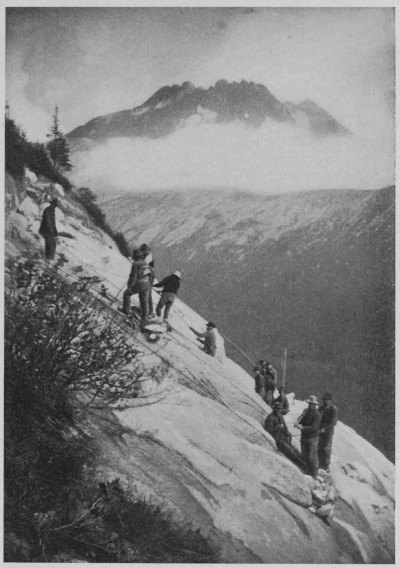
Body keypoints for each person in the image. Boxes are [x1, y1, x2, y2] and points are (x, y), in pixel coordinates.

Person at [264, 403, 307, 471]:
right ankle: (304, 467)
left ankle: (306, 464)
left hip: (284, 437)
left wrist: (287, 433)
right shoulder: (270, 418)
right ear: (274, 409)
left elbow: (285, 427)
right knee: (291, 452)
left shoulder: (280, 416)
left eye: (280, 409)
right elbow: (269, 430)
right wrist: (277, 427)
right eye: (277, 409)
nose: (278, 410)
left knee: (296, 450)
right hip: (277, 439)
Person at [120, 248, 153, 324]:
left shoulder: (135, 264)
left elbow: (133, 276)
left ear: (134, 257)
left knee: (126, 294)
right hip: (147, 283)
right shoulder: (145, 263)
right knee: (144, 302)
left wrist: (130, 286)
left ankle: (125, 310)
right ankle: (144, 320)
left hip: (141, 282)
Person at [295, 395, 321, 479]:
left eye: (312, 404)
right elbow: (301, 420)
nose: (310, 405)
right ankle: (306, 472)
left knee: (312, 457)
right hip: (304, 437)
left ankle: (314, 476)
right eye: (309, 403)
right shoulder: (306, 411)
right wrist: (300, 418)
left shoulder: (317, 415)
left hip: (312, 438)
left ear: (315, 405)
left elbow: (314, 428)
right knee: (304, 456)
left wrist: (302, 428)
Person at [318, 393, 338, 473]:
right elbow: (317, 415)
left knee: (326, 448)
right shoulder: (321, 408)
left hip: (328, 431)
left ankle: (326, 466)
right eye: (324, 400)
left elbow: (334, 422)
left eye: (327, 400)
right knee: (319, 446)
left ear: (330, 401)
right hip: (320, 429)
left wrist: (325, 428)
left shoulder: (333, 409)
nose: (325, 401)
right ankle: (319, 464)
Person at [140, 244, 155, 316]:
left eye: (142, 251)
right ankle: (148, 309)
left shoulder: (148, 257)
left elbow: (144, 264)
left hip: (149, 275)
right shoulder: (147, 255)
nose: (142, 253)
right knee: (146, 292)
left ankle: (150, 311)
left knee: (147, 292)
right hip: (148, 274)